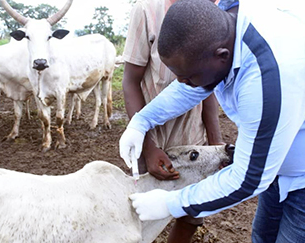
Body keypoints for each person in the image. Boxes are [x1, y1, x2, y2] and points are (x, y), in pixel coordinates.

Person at [119, 0, 305, 242]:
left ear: (222, 56)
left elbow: (248, 179)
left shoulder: (266, 79)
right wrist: (141, 122)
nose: (184, 83)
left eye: (188, 77)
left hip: (300, 178)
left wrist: (172, 204)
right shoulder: (224, 24)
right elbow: (189, 88)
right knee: (263, 236)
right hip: (278, 169)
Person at [121, 0, 227, 242]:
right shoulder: (146, 11)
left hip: (192, 136)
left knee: (191, 213)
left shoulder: (212, 10)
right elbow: (130, 82)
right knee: (144, 210)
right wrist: (148, 147)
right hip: (153, 136)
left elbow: (209, 84)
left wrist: (215, 144)